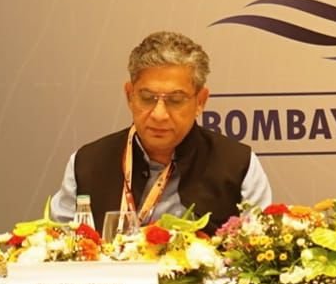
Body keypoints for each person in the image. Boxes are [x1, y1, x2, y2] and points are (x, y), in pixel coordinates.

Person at [50, 31, 271, 227]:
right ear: (129, 96)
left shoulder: (238, 164)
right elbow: (58, 247)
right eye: (147, 98)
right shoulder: (87, 163)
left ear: (200, 101)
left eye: (175, 100)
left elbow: (258, 246)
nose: (159, 114)